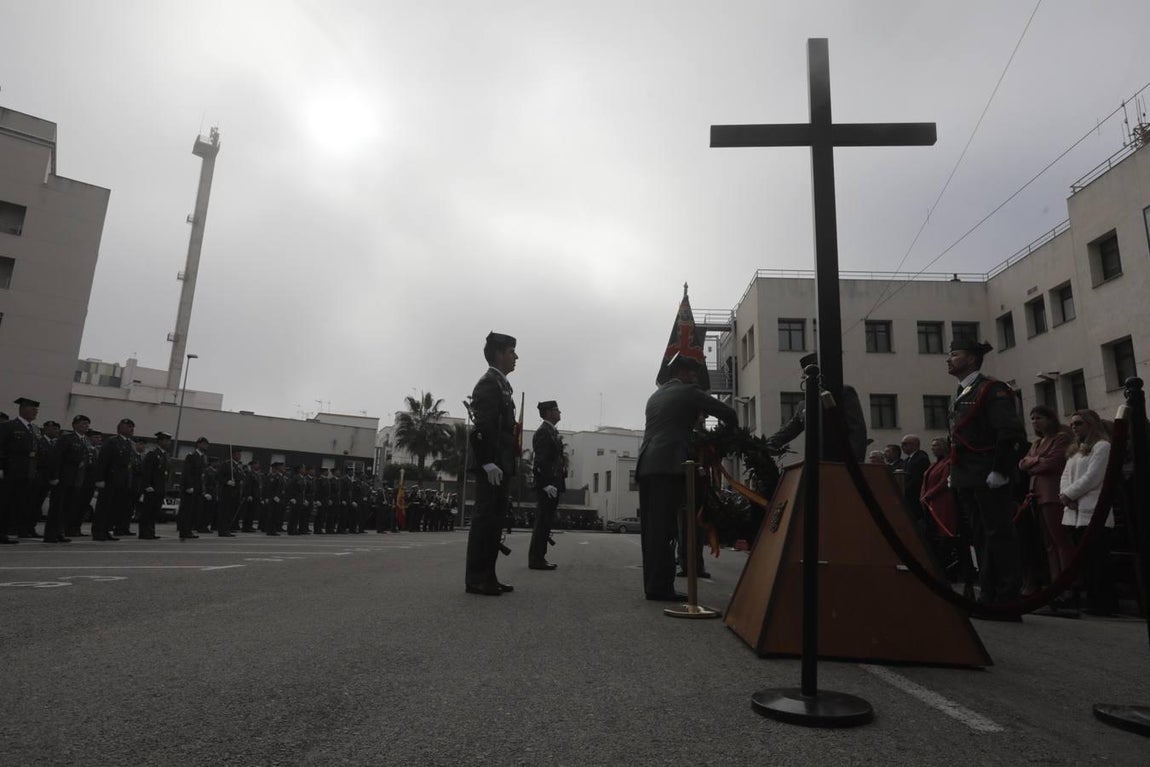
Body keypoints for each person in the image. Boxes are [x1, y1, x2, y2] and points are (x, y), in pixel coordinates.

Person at [636, 354, 738, 601]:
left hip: (647, 464)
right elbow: (728, 412)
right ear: (682, 373)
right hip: (670, 466)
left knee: (652, 531)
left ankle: (654, 585)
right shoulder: (689, 392)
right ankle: (661, 588)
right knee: (666, 530)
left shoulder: (655, 396)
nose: (695, 378)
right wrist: (726, 441)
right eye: (693, 373)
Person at [947, 338, 1028, 614]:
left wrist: (1001, 469)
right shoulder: (964, 390)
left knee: (999, 534)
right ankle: (989, 593)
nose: (949, 359)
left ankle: (1007, 597)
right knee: (981, 536)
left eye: (955, 354)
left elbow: (1010, 432)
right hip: (968, 474)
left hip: (988, 473)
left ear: (971, 359)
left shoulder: (992, 389)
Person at [465, 331, 519, 596]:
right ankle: (477, 578)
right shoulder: (489, 384)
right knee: (485, 520)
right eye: (511, 352)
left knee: (495, 522)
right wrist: (487, 461)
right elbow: (482, 427)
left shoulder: (502, 385)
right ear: (499, 354)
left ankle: (489, 575)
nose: (516, 357)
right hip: (492, 464)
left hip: (501, 462)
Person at [1059, 409, 1116, 616]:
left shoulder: (1102, 446)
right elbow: (1065, 476)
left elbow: (1093, 476)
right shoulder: (1076, 450)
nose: (1074, 427)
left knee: (1098, 559)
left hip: (1093, 509)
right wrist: (1066, 495)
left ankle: (1104, 603)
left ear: (1091, 424)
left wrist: (1070, 495)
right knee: (1085, 560)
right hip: (1074, 510)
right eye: (1072, 424)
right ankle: (1091, 599)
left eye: (1078, 423)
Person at [764, 353, 868, 461]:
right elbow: (789, 430)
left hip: (840, 461)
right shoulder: (803, 405)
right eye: (805, 375)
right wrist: (769, 444)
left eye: (807, 374)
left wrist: (854, 462)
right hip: (816, 462)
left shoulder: (842, 392)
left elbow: (857, 429)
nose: (804, 378)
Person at [1018, 406, 1072, 598]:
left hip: (1052, 493)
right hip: (1036, 495)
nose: (1035, 422)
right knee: (1048, 543)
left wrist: (1033, 462)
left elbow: (1053, 463)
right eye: (1032, 418)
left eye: (1039, 418)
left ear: (1050, 419)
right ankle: (1055, 582)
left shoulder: (1060, 438)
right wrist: (1037, 460)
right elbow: (1022, 464)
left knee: (1060, 540)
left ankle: (1066, 583)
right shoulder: (1037, 442)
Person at [0, 397, 43, 543]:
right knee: (4, 503)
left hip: (27, 472)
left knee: (17, 504)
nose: (35, 412)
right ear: (22, 409)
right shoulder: (9, 426)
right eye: (33, 409)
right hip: (11, 471)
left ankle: (7, 531)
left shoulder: (34, 429)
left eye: (36, 409)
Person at [529, 400, 565, 570]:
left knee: (546, 522)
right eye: (557, 410)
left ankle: (539, 557)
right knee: (542, 522)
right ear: (549, 412)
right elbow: (540, 461)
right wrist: (545, 484)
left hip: (554, 483)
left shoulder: (551, 431)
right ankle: (536, 559)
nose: (560, 412)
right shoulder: (544, 432)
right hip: (548, 485)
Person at [92, 418, 136, 541]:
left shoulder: (128, 443)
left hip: (121, 481)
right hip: (110, 479)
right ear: (120, 428)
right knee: (104, 507)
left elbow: (127, 465)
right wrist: (100, 479)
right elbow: (103, 461)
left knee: (114, 508)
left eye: (132, 427)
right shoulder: (112, 442)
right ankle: (98, 531)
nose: (131, 429)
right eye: (128, 427)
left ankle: (107, 530)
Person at [138, 432, 172, 540]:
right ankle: (144, 532)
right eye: (166, 440)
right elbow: (147, 471)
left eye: (169, 441)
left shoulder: (165, 455)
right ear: (160, 441)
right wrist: (147, 485)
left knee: (154, 511)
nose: (168, 443)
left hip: (160, 488)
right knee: (147, 511)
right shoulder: (152, 454)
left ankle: (151, 531)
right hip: (152, 487)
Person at [178, 437, 209, 540]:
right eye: (203, 443)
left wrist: (203, 490)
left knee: (194, 511)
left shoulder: (203, 457)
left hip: (198, 488)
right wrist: (189, 486)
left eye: (206, 444)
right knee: (187, 510)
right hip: (191, 488)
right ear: (198, 444)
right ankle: (184, 531)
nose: (205, 446)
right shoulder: (191, 456)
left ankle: (189, 530)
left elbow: (202, 474)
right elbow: (187, 472)